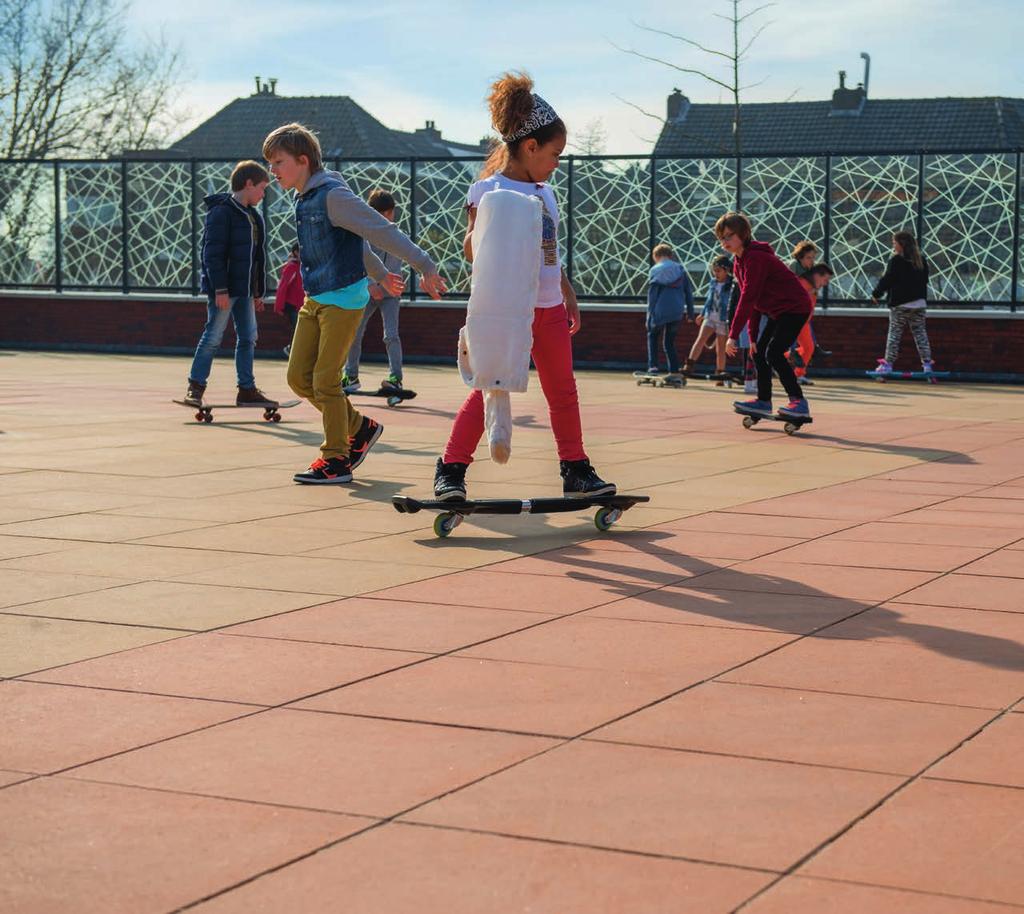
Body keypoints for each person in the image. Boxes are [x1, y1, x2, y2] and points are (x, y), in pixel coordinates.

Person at [432, 71, 615, 502]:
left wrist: (567, 292)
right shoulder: (488, 189)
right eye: (553, 154)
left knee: (562, 392)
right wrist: (483, 227)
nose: (556, 163)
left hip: (548, 306)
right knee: (489, 386)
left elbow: (548, 251)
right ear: (530, 146)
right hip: (505, 310)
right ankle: (451, 469)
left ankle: (575, 469)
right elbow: (473, 252)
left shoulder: (545, 193)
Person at [262, 122, 446, 484]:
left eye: (278, 162)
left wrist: (424, 264)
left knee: (326, 380)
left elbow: (378, 230)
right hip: (315, 299)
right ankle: (360, 428)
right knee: (299, 378)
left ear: (302, 160)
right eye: (270, 163)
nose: (272, 170)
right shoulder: (305, 198)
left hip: (344, 301)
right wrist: (378, 274)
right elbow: (354, 243)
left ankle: (336, 460)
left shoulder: (332, 195)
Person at [184, 160, 277, 408]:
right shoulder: (221, 212)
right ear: (248, 184)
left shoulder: (253, 216)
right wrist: (220, 289)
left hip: (246, 290)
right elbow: (211, 254)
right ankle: (195, 387)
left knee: (248, 337)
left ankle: (246, 389)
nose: (263, 194)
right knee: (213, 337)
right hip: (225, 290)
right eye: (261, 188)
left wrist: (258, 291)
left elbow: (258, 256)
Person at [719, 212, 814, 419]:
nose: (724, 241)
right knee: (758, 352)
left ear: (743, 234)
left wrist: (733, 335)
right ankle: (763, 401)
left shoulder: (756, 258)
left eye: (728, 236)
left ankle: (798, 402)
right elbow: (754, 303)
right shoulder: (739, 262)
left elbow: (748, 298)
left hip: (795, 308)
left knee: (774, 353)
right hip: (776, 311)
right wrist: (752, 337)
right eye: (721, 237)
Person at [342, 189, 408, 393]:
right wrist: (371, 284)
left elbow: (407, 256)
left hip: (391, 294)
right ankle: (351, 375)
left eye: (387, 214)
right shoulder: (364, 235)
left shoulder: (398, 235)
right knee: (354, 332)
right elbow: (359, 262)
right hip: (368, 292)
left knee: (391, 335)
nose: (387, 218)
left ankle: (396, 377)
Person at [871, 230, 934, 375]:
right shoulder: (921, 260)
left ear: (901, 244)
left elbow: (888, 279)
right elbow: (925, 280)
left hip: (900, 304)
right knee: (920, 334)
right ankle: (927, 364)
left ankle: (888, 364)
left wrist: (877, 293)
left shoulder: (896, 260)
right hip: (919, 303)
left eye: (894, 242)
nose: (893, 245)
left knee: (894, 334)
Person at [685, 254, 735, 382]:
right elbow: (709, 299)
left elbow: (733, 303)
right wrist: (702, 314)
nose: (716, 274)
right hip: (710, 316)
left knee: (720, 348)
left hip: (723, 320)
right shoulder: (713, 282)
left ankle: (720, 372)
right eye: (714, 271)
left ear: (726, 270)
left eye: (718, 271)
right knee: (700, 339)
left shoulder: (732, 284)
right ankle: (689, 365)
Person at [644, 243, 692, 375]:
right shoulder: (680, 270)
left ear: (656, 256)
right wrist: (691, 312)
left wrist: (649, 316)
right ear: (671, 256)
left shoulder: (655, 270)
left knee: (653, 336)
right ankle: (674, 370)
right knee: (669, 342)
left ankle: (653, 366)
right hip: (677, 310)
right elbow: (688, 292)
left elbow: (652, 295)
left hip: (660, 310)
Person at [789, 263, 834, 385]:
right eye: (825, 279)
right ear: (816, 275)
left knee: (809, 347)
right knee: (803, 347)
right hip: (794, 319)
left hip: (804, 321)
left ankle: (798, 374)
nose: (826, 283)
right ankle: (784, 358)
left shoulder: (814, 287)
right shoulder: (802, 283)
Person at [274, 243, 304, 357]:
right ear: (296, 252)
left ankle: (293, 350)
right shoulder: (292, 267)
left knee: (299, 330)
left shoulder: (301, 266)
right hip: (293, 306)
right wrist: (279, 306)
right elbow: (283, 286)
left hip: (301, 305)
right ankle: (292, 350)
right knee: (298, 331)